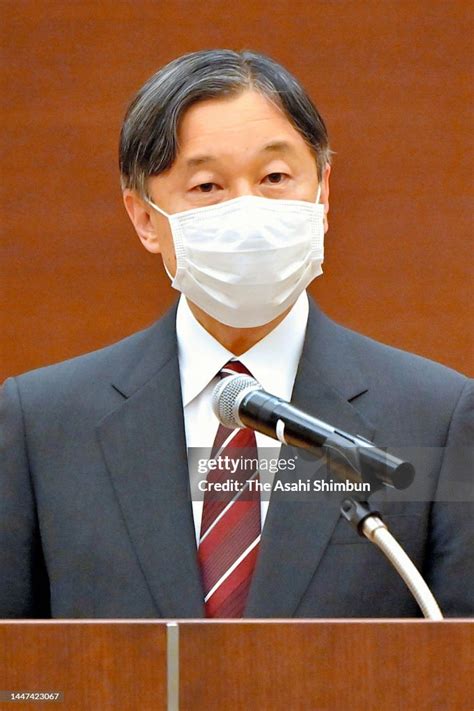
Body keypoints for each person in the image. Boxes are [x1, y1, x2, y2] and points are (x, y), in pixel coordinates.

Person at [0, 49, 472, 619]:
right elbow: (17, 676)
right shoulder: (43, 423)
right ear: (146, 218)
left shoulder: (436, 417)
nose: (247, 212)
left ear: (322, 194)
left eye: (275, 177)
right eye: (207, 186)